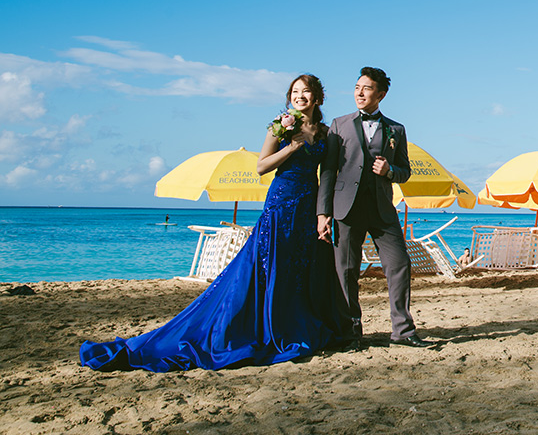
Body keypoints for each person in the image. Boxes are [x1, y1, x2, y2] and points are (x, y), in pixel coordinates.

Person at [80, 75, 352, 371]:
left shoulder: (325, 132)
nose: (300, 96)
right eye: (295, 92)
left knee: (299, 268)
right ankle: (267, 328)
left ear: (318, 98)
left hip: (308, 204)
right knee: (269, 266)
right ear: (290, 97)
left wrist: (323, 213)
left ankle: (296, 323)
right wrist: (290, 148)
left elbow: (327, 174)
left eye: (306, 92)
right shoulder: (281, 125)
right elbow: (261, 166)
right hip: (281, 202)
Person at [318, 67, 431, 348]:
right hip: (346, 209)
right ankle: (350, 332)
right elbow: (328, 171)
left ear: (380, 94)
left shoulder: (396, 129)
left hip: (382, 210)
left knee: (399, 265)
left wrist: (389, 170)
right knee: (346, 271)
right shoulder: (338, 124)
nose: (359, 92)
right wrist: (323, 213)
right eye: (357, 87)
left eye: (366, 88)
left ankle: (403, 332)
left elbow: (405, 171)